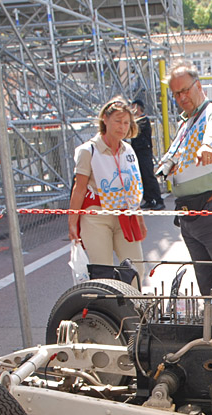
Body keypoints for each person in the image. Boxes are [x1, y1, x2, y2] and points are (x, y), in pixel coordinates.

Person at [156, 63, 212, 297]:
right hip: (190, 214)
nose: (182, 97)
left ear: (198, 85)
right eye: (176, 93)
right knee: (206, 281)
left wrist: (209, 145)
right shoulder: (185, 123)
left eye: (185, 90)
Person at [67, 97, 147, 281]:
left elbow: (133, 189)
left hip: (125, 216)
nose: (122, 127)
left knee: (136, 270)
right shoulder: (88, 150)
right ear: (105, 119)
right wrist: (72, 222)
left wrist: (140, 220)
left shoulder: (128, 151)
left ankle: (134, 308)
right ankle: (108, 309)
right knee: (103, 272)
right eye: (118, 121)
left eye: (126, 122)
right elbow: (79, 189)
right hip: (96, 216)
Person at [130, 99, 165, 211]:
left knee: (149, 175)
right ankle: (149, 199)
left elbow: (135, 129)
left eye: (133, 107)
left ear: (138, 107)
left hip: (144, 151)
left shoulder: (143, 120)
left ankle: (159, 200)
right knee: (141, 176)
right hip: (137, 151)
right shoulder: (137, 121)